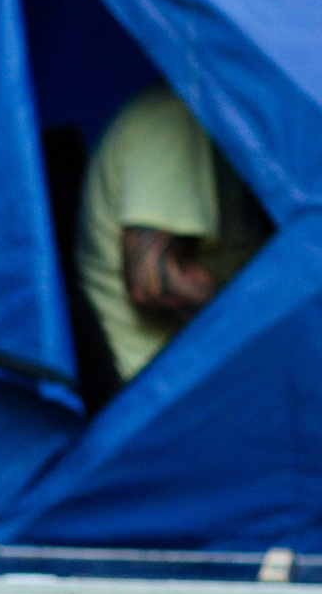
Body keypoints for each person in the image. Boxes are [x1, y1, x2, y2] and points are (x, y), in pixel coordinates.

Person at [76, 84, 272, 386]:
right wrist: (279, 312)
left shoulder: (222, 125)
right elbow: (153, 283)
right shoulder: (171, 118)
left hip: (195, 369)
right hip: (159, 384)